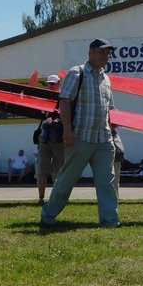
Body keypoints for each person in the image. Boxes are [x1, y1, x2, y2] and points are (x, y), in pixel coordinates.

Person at [41, 38, 120, 228]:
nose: (105, 56)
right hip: (80, 137)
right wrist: (67, 131)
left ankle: (110, 221)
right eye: (101, 52)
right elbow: (65, 102)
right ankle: (48, 215)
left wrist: (113, 130)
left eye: (108, 53)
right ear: (91, 53)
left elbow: (109, 108)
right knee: (67, 179)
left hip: (103, 139)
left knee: (107, 182)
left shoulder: (106, 78)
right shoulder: (77, 73)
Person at [37, 74, 65, 206]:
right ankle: (41, 198)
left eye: (53, 83)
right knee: (43, 169)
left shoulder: (65, 97)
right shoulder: (43, 97)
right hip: (45, 138)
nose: (50, 86)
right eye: (49, 83)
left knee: (59, 170)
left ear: (59, 83)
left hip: (60, 139)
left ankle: (57, 198)